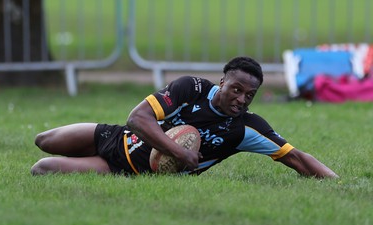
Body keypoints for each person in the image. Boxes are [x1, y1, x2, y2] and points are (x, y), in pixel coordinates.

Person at [31, 56, 339, 178]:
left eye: (249, 95)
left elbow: (296, 157)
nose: (240, 99)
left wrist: (336, 183)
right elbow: (137, 118)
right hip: (117, 136)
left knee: (42, 169)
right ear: (223, 82)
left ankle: (90, 162)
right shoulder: (190, 88)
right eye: (236, 89)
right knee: (43, 140)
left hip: (127, 169)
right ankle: (86, 148)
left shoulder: (246, 128)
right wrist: (180, 152)